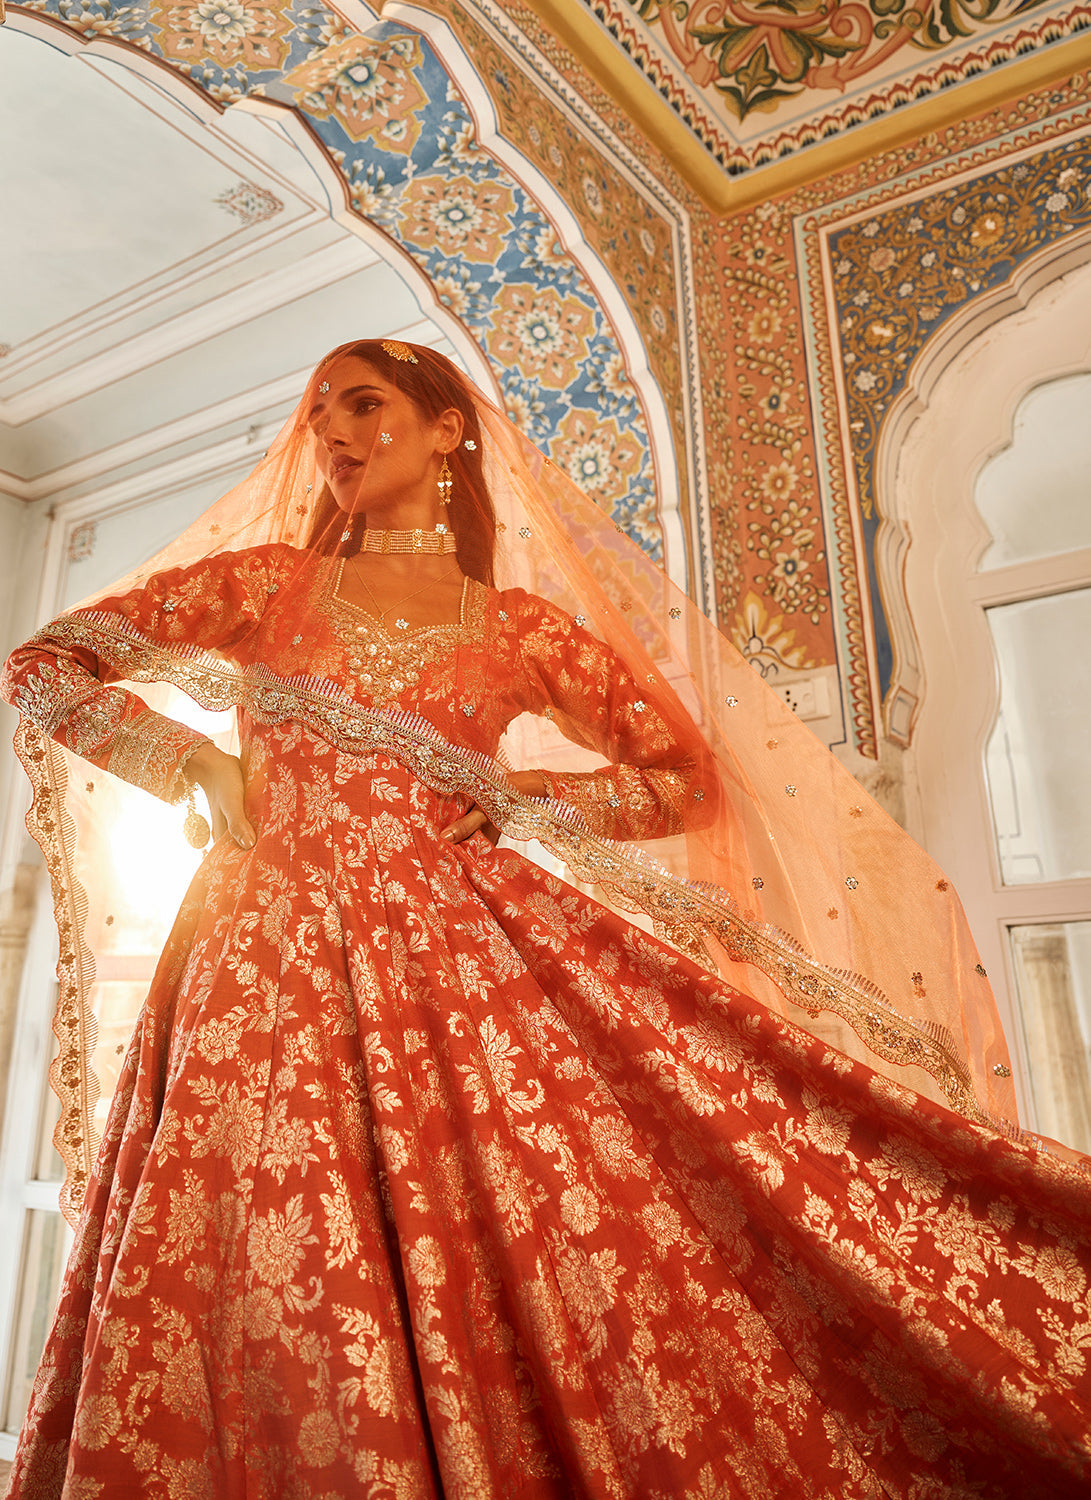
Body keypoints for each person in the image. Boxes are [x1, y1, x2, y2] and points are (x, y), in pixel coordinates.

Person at [2, 338, 1090, 1499]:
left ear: (446, 431)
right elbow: (42, 666)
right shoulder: (267, 586)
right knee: (250, 1246)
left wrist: (531, 796)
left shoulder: (514, 629)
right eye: (317, 415)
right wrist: (181, 760)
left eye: (360, 405)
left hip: (449, 974)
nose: (330, 435)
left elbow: (681, 780)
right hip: (257, 965)